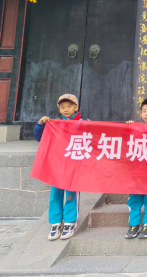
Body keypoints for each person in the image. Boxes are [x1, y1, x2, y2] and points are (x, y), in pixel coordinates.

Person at [34, 94, 88, 241]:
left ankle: (70, 222)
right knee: (55, 194)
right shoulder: (54, 124)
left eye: (69, 106)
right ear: (59, 109)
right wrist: (40, 124)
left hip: (74, 166)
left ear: (76, 107)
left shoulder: (84, 122)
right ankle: (55, 223)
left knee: (71, 193)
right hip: (57, 166)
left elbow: (96, 137)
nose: (66, 109)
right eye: (63, 107)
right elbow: (39, 137)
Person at [124, 98, 147, 240]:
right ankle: (133, 224)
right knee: (134, 198)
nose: (146, 114)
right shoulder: (135, 128)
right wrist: (127, 128)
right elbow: (124, 142)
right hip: (136, 171)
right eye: (144, 111)